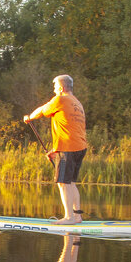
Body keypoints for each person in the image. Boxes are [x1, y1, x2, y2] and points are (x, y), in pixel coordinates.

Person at [23, 74, 87, 224]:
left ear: (61, 87)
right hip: (79, 146)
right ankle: (77, 216)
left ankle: (69, 217)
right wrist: (56, 149)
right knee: (70, 182)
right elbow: (69, 128)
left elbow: (42, 109)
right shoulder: (77, 103)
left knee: (63, 183)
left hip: (69, 147)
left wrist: (29, 117)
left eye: (54, 87)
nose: (53, 91)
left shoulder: (61, 99)